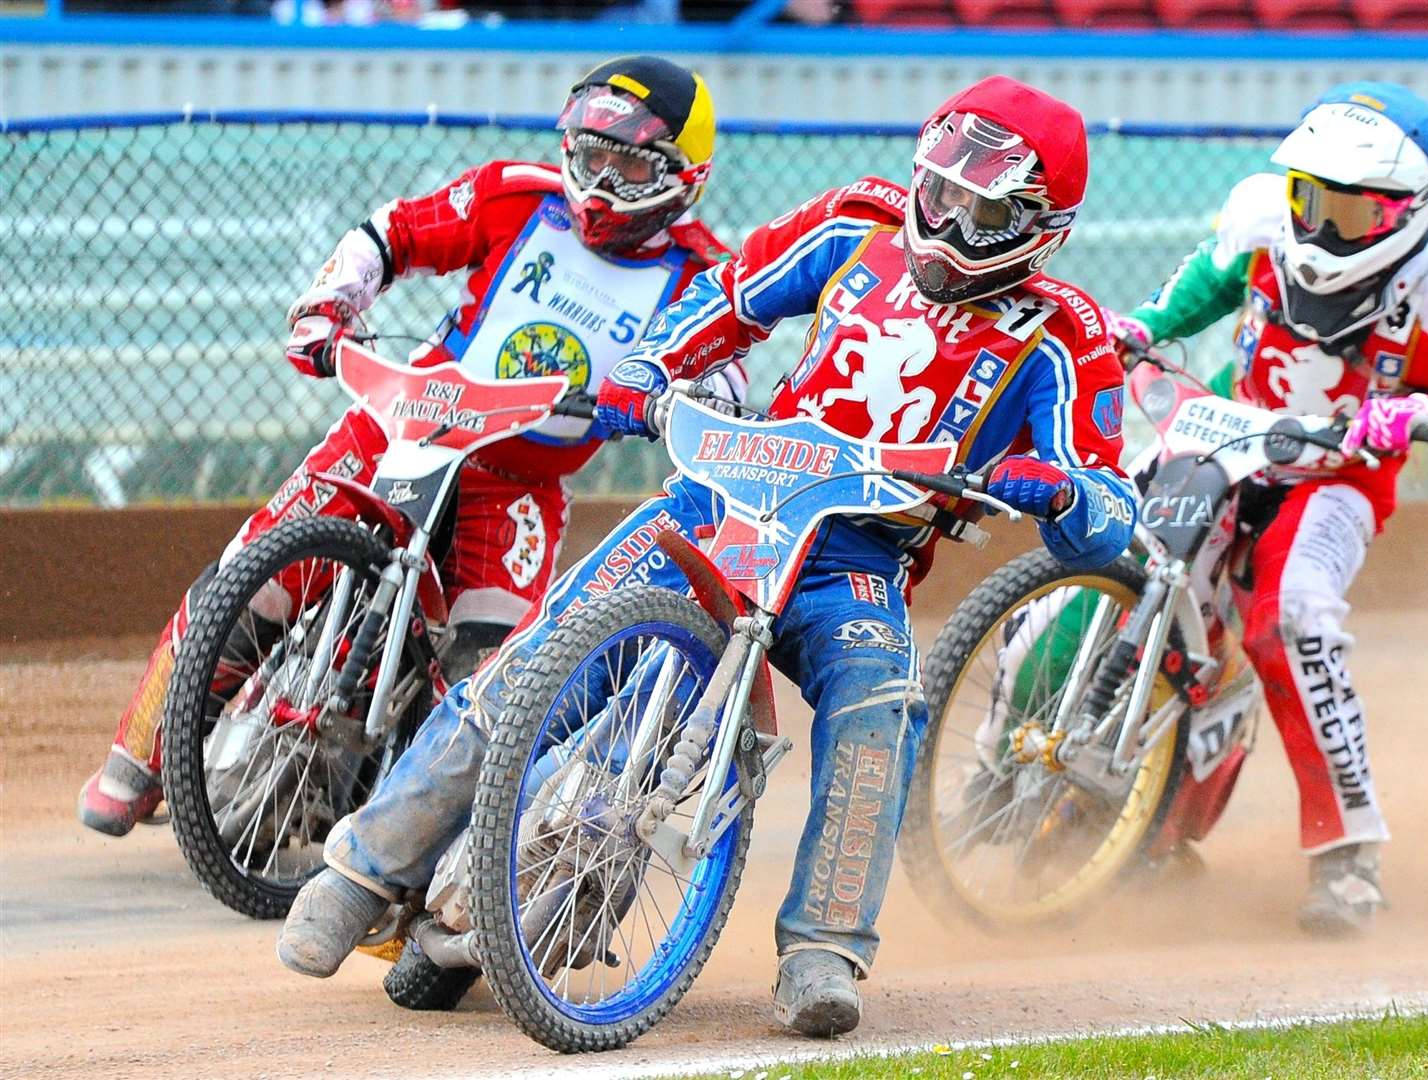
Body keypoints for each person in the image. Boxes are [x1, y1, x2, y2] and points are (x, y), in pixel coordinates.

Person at [274, 74, 1139, 1037]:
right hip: (723, 492)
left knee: (878, 708)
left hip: (855, 553)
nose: (943, 217)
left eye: (978, 209)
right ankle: (359, 872)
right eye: (938, 189)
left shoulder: (1063, 334)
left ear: (1038, 224)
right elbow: (727, 302)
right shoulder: (855, 221)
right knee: (542, 648)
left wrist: (1058, 487)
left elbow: (1108, 508)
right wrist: (651, 371)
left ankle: (821, 949)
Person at [76, 55, 743, 837]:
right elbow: (387, 235)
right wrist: (330, 302)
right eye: (588, 153)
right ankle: (141, 755)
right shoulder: (514, 193)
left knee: (493, 671)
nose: (596, 177)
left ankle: (413, 836)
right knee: (256, 573)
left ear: (679, 173)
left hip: (518, 485)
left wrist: (675, 405)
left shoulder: (704, 273)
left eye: (622, 162)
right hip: (406, 419)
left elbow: (721, 382)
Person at [1107, 82, 1428, 935]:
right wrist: (1141, 326)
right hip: (1222, 425)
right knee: (1114, 563)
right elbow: (1204, 284)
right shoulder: (1256, 211)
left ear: (1405, 211)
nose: (1319, 228)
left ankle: (1346, 854)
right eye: (1306, 198)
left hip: (1339, 475)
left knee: (1290, 620)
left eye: (1349, 213)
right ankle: (1021, 771)